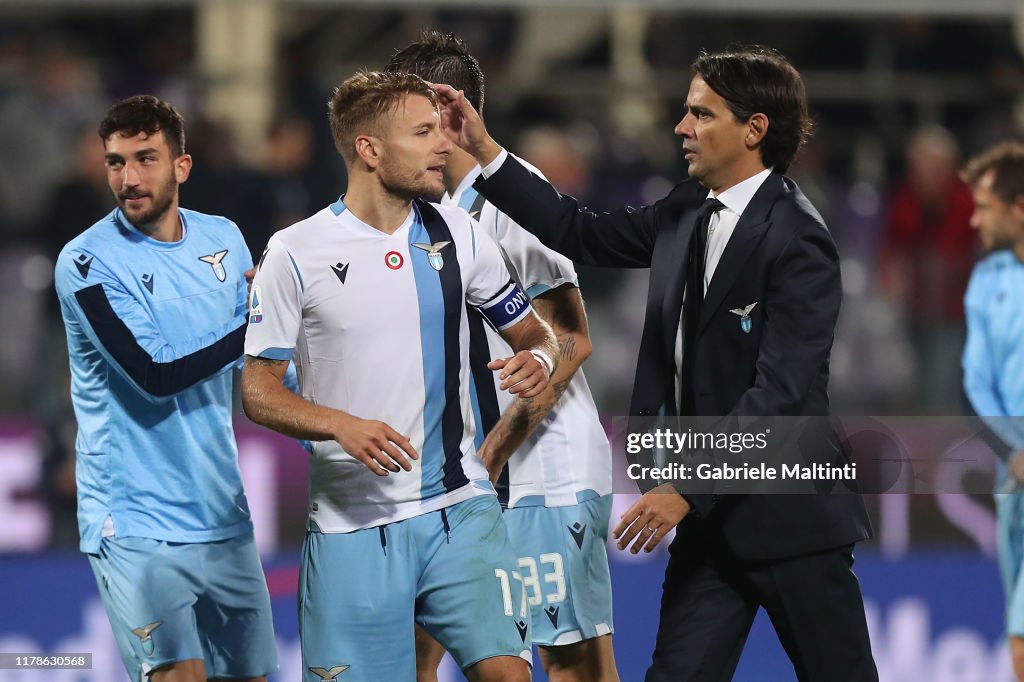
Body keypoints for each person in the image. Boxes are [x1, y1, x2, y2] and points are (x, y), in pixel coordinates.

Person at [434, 44, 877, 681]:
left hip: (789, 517)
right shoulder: (687, 209)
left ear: (754, 129)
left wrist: (685, 487)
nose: (681, 127)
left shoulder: (798, 239)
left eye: (701, 114)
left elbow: (779, 394)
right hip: (710, 528)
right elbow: (579, 231)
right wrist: (485, 151)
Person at [240, 70, 558, 682]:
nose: (444, 144)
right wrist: (339, 425)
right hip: (350, 527)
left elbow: (535, 334)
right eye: (424, 132)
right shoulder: (293, 252)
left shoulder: (460, 233)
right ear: (369, 149)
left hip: (459, 509)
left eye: (442, 130)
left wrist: (538, 360)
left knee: (510, 675)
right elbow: (257, 390)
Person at [386, 31, 619, 682]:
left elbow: (571, 339)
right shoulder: (432, 214)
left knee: (574, 669)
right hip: (474, 481)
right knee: (411, 654)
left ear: (440, 108)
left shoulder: (510, 197)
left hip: (544, 477)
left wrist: (489, 458)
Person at [53, 95, 276, 682]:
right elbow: (155, 375)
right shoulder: (85, 262)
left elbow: (259, 369)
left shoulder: (224, 238)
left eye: (145, 159)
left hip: (222, 511)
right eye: (115, 162)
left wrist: (328, 435)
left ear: (182, 166)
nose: (128, 178)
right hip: (135, 520)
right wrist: (259, 321)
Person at [961, 142, 1024, 681]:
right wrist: (1012, 450)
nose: (975, 219)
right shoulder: (987, 281)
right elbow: (974, 383)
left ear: (1019, 207)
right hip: (1015, 481)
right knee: (1018, 633)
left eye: (985, 207)